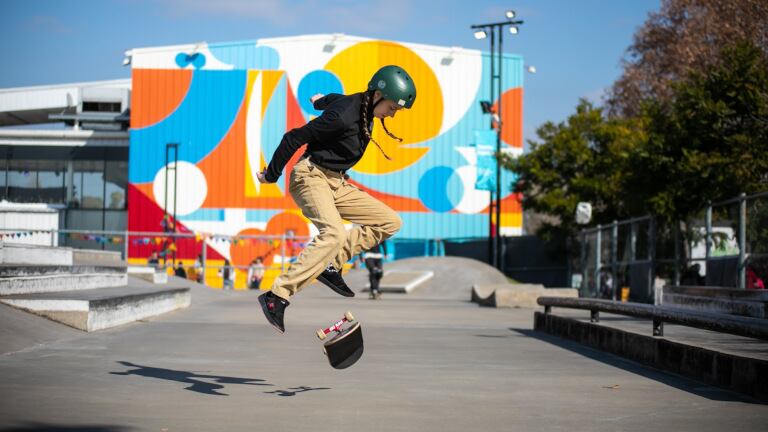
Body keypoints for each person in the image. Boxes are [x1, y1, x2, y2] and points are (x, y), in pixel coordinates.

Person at [256, 65, 415, 332]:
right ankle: (277, 295)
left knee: (390, 221)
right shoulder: (342, 117)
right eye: (392, 107)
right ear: (377, 94)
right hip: (310, 176)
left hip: (337, 182)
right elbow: (292, 138)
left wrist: (319, 101)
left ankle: (332, 264)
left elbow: (333, 99)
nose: (393, 114)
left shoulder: (361, 105)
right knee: (333, 233)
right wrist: (271, 175)